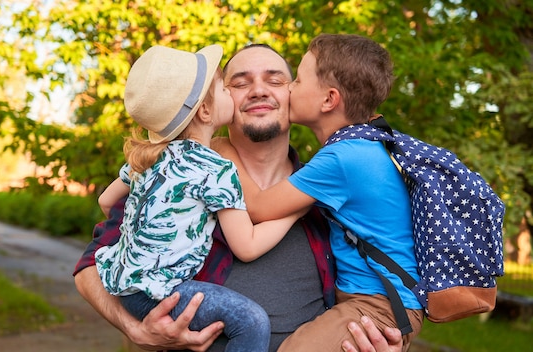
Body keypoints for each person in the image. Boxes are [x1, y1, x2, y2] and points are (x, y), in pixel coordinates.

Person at [73, 43, 404, 352]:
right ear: (213, 104)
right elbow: (90, 267)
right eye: (240, 82)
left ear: (295, 95)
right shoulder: (175, 176)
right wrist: (136, 330)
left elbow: (385, 290)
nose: (258, 90)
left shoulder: (333, 192)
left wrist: (382, 341)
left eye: (274, 80)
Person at [93, 44, 308, 352]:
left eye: (274, 80)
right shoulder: (217, 170)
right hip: (162, 292)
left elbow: (106, 202)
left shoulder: (149, 156)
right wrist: (296, 210)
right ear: (205, 110)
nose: (248, 92)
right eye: (226, 87)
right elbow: (246, 247)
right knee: (251, 322)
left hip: (125, 284)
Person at [220, 34, 424, 352]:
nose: (282, 90)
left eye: (293, 81)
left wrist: (219, 149)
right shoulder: (356, 152)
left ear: (328, 100)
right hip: (369, 302)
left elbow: (257, 208)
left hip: (378, 306)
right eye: (241, 82)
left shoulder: (339, 163)